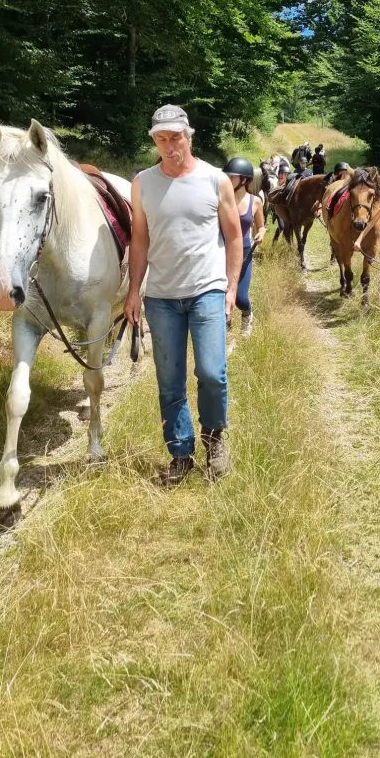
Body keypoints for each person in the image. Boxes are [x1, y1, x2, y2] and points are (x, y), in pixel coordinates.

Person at [123, 105, 243, 486]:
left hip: (206, 289)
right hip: (161, 297)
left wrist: (231, 287)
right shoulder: (143, 182)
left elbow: (234, 236)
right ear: (154, 141)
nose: (169, 145)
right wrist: (133, 292)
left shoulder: (215, 180)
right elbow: (139, 239)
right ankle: (180, 453)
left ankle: (214, 438)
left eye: (176, 137)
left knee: (212, 372)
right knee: (169, 381)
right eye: (161, 138)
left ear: (189, 136)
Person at [223, 157, 266, 336]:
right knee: (219, 294)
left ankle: (247, 314)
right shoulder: (220, 199)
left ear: (244, 180)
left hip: (245, 252)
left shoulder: (255, 201)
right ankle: (225, 326)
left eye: (232, 177)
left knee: (240, 297)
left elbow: (261, 226)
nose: (227, 180)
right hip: (220, 251)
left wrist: (261, 234)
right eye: (226, 176)